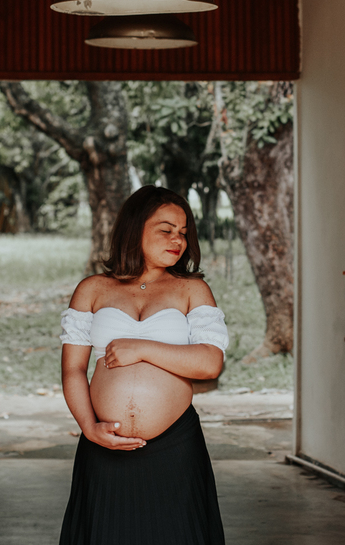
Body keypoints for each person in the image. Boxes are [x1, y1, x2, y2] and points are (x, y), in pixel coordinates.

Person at [57, 185, 229, 545]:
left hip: (175, 445)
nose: (178, 240)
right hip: (103, 442)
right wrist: (89, 428)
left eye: (183, 232)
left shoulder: (191, 289)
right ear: (135, 228)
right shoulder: (93, 289)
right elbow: (73, 370)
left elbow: (210, 363)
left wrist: (142, 349)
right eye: (166, 229)